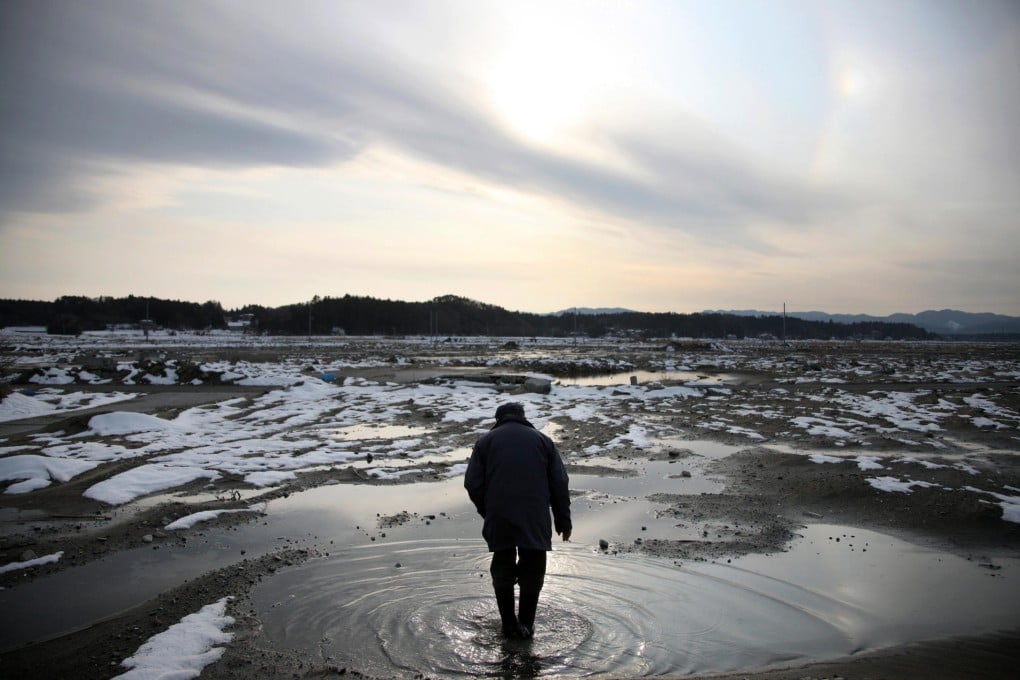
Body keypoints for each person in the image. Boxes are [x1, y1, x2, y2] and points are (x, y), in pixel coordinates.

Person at [464, 402, 572, 639]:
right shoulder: (543, 441)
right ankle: (527, 625)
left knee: (502, 567)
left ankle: (508, 625)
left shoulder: (485, 442)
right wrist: (563, 521)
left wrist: (488, 510)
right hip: (535, 518)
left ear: (498, 419)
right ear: (523, 417)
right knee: (533, 570)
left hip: (500, 516)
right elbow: (559, 484)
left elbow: (472, 483)